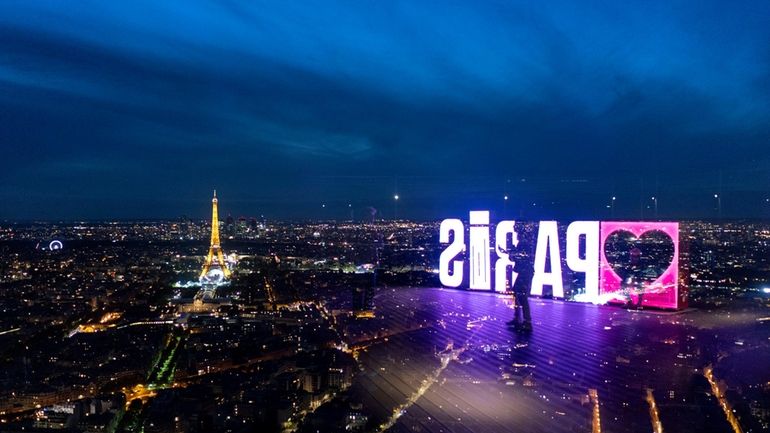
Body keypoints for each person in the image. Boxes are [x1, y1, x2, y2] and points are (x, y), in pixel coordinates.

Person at [506, 222, 533, 333]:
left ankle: (527, 322)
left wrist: (512, 253)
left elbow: (519, 258)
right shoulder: (524, 242)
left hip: (525, 272)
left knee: (521, 296)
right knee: (517, 294)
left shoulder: (523, 243)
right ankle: (519, 319)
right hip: (524, 272)